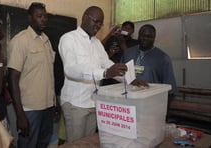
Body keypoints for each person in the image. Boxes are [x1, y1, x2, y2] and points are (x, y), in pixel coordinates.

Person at [58, 6, 148, 142]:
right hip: (75, 103)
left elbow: (108, 64)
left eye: (101, 23)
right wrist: (105, 73)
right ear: (85, 17)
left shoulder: (97, 44)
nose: (98, 26)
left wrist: (129, 79)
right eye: (96, 21)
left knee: (88, 142)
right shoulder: (69, 39)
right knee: (76, 144)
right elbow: (71, 70)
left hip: (93, 102)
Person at [7, 2, 55, 148]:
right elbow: (12, 78)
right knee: (27, 145)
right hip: (30, 109)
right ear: (30, 18)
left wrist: (54, 102)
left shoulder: (46, 41)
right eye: (39, 16)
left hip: (48, 107)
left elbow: (47, 75)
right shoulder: (21, 40)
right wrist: (20, 114)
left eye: (45, 16)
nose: (44, 19)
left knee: (43, 144)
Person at [122, 24, 177, 98]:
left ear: (154, 38)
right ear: (138, 36)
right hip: (128, 99)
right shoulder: (128, 53)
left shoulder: (163, 58)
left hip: (151, 101)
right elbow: (119, 75)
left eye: (149, 36)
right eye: (142, 35)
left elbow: (170, 90)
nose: (145, 38)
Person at [101, 21, 138, 85]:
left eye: (129, 29)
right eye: (125, 28)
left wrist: (122, 43)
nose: (126, 30)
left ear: (132, 31)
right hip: (110, 76)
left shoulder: (135, 43)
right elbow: (99, 48)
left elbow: (132, 58)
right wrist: (109, 35)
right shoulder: (112, 39)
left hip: (124, 76)